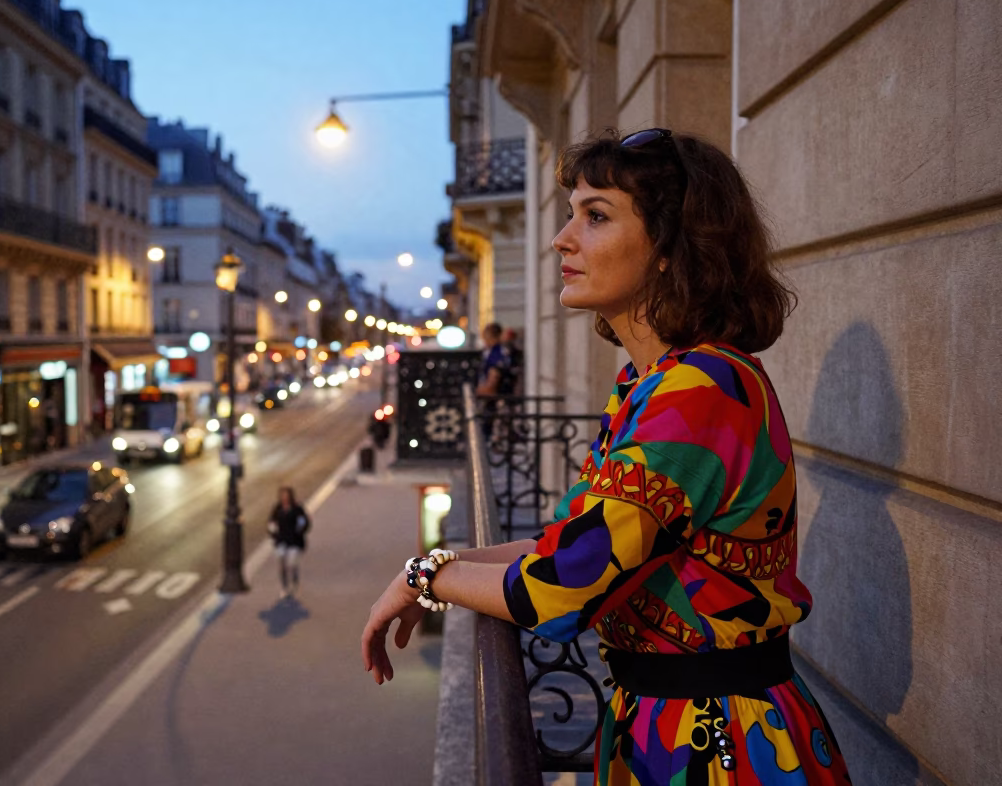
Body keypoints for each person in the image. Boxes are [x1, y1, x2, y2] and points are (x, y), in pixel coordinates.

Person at [361, 128, 852, 784]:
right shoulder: (649, 384)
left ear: (670, 249)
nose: (562, 239)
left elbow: (562, 583)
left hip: (718, 747)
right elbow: (566, 542)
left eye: (594, 216)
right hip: (668, 726)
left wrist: (428, 578)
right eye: (571, 214)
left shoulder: (699, 391)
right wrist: (432, 566)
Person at [267, 486, 310, 599]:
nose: (284, 498)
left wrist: (299, 532)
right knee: (281, 564)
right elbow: (271, 523)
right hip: (281, 541)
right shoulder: (277, 509)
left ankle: (295, 582)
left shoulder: (297, 509)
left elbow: (304, 522)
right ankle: (284, 587)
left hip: (294, 541)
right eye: (282, 496)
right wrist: (273, 534)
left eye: (286, 496)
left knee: (292, 564)